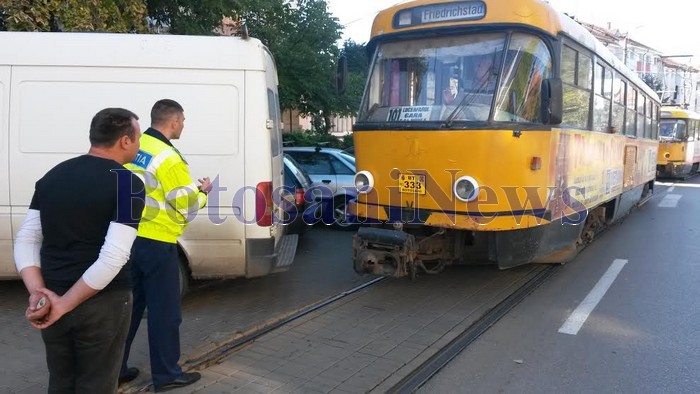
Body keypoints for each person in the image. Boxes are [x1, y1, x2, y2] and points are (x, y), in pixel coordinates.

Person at [13, 108, 145, 393]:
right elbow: (113, 257)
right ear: (125, 140)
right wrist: (65, 304)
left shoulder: (53, 176)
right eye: (138, 137)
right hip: (103, 303)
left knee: (60, 381)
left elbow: (27, 238)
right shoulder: (128, 183)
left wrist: (38, 293)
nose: (139, 144)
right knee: (96, 384)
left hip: (51, 295)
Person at [120, 99, 211, 392]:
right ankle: (167, 375)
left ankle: (114, 368)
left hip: (129, 239)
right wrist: (203, 192)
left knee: (129, 309)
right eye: (182, 120)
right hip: (158, 241)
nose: (184, 125)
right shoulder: (169, 158)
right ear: (172, 121)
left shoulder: (138, 146)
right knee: (165, 313)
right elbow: (183, 202)